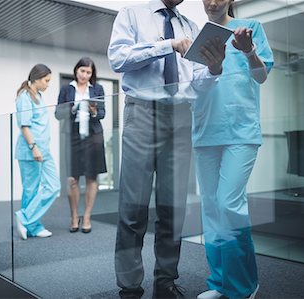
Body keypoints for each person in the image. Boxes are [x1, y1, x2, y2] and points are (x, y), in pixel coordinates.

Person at [108, 0, 226, 298]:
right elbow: (118, 59)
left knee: (173, 208)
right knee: (133, 207)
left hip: (180, 114)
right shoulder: (132, 14)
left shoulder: (192, 27)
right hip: (142, 112)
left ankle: (166, 281)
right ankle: (130, 287)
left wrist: (213, 68)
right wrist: (168, 45)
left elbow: (198, 83)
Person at [192, 1, 274, 299]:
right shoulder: (195, 33)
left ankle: (244, 286)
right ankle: (220, 283)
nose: (212, 2)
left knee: (229, 205)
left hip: (240, 131)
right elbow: (191, 85)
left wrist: (249, 52)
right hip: (205, 132)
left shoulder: (250, 29)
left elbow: (262, 76)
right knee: (212, 210)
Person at [55, 57, 107, 233]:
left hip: (93, 135)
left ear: (92, 74)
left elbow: (102, 113)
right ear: (76, 70)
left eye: (88, 72)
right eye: (82, 71)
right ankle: (74, 216)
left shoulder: (98, 89)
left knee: (92, 178)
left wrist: (94, 112)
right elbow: (58, 113)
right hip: (73, 135)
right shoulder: (66, 89)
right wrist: (72, 108)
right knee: (72, 179)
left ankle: (87, 217)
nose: (84, 75)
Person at [14, 64, 61, 240]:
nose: (48, 84)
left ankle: (25, 218)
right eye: (47, 80)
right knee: (30, 189)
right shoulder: (24, 97)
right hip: (30, 149)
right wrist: (33, 147)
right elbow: (24, 125)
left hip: (44, 149)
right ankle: (32, 226)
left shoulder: (37, 96)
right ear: (37, 78)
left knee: (54, 186)